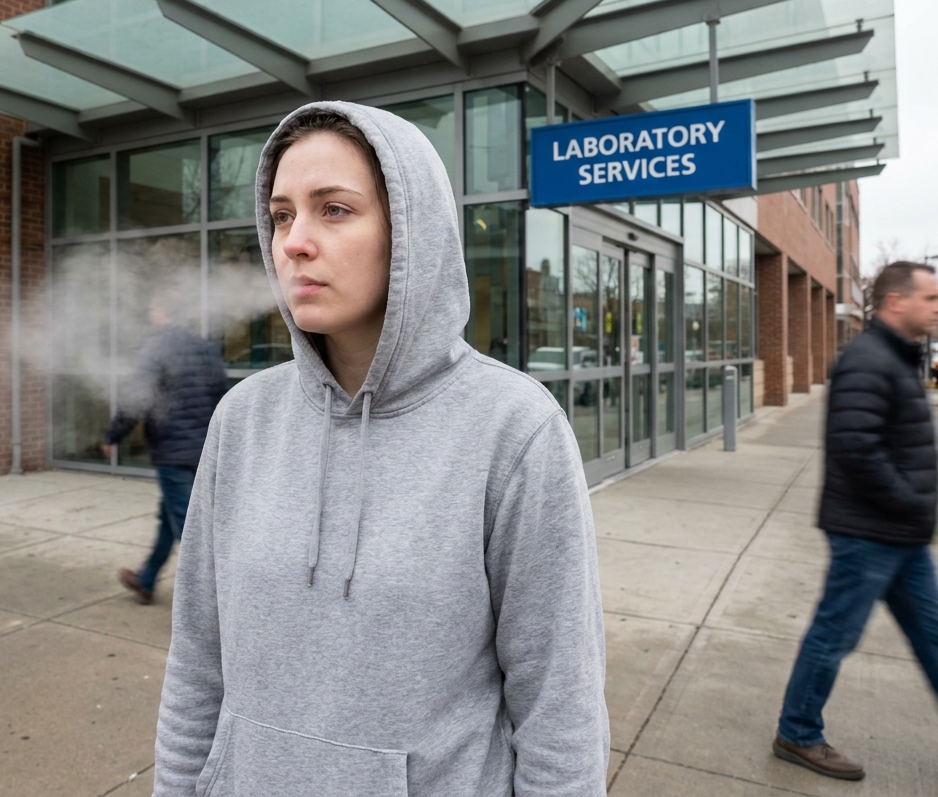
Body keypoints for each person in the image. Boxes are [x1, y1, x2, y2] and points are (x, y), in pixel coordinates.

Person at [152, 103, 608, 797]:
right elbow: (195, 665)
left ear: (410, 231)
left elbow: (559, 711)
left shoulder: (515, 430)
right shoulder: (243, 419)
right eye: (281, 215)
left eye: (333, 209)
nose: (294, 242)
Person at [773, 261, 938, 780]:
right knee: (834, 635)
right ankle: (797, 732)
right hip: (869, 533)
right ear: (898, 302)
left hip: (899, 535)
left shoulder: (895, 358)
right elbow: (856, 448)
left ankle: (797, 728)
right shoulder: (869, 360)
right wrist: (910, 501)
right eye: (931, 297)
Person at [103, 295, 227, 604]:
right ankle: (146, 580)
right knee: (168, 518)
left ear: (162, 313)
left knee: (190, 531)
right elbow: (224, 398)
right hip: (204, 451)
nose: (150, 311)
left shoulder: (157, 348)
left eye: (153, 306)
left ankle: (218, 607)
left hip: (175, 452)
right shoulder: (205, 348)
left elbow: (136, 398)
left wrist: (112, 435)